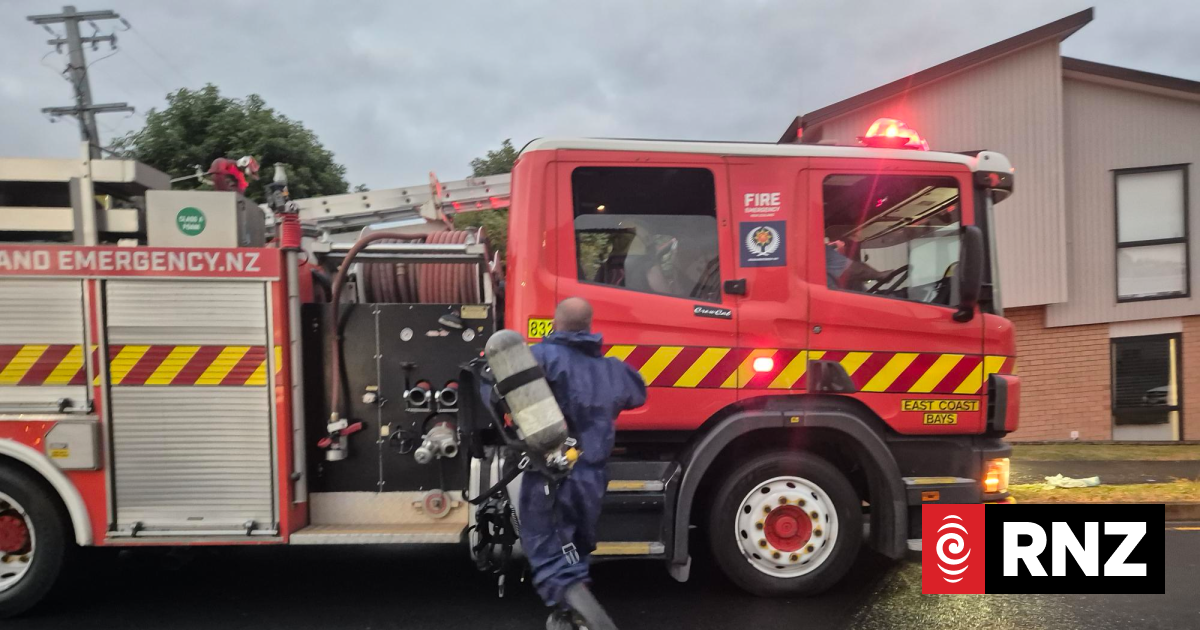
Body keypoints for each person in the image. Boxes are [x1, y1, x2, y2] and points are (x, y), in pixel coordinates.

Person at [523, 297, 647, 630]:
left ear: (554, 322)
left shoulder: (539, 357)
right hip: (592, 475)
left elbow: (493, 387)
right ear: (590, 326)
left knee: (548, 546)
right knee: (577, 543)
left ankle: (584, 615)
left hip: (549, 473)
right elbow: (638, 393)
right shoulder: (613, 369)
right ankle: (568, 615)